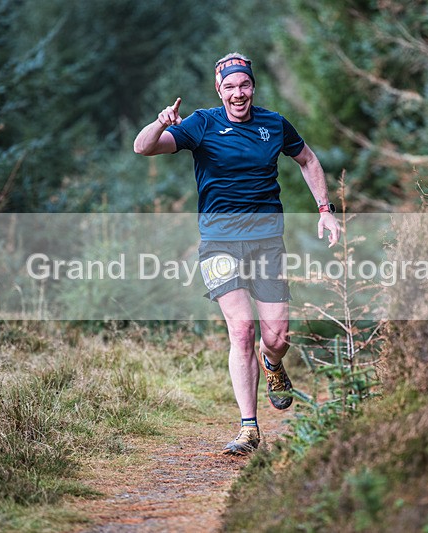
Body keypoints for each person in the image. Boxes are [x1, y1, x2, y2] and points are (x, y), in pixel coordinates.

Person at [134, 52, 340, 455]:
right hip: (219, 242)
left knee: (276, 337)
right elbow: (143, 148)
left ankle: (274, 364)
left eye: (244, 85)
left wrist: (325, 210)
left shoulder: (273, 124)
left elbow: (308, 159)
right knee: (241, 329)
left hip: (267, 242)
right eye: (230, 86)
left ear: (252, 86)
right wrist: (161, 122)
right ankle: (249, 427)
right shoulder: (202, 124)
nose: (238, 93)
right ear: (219, 90)